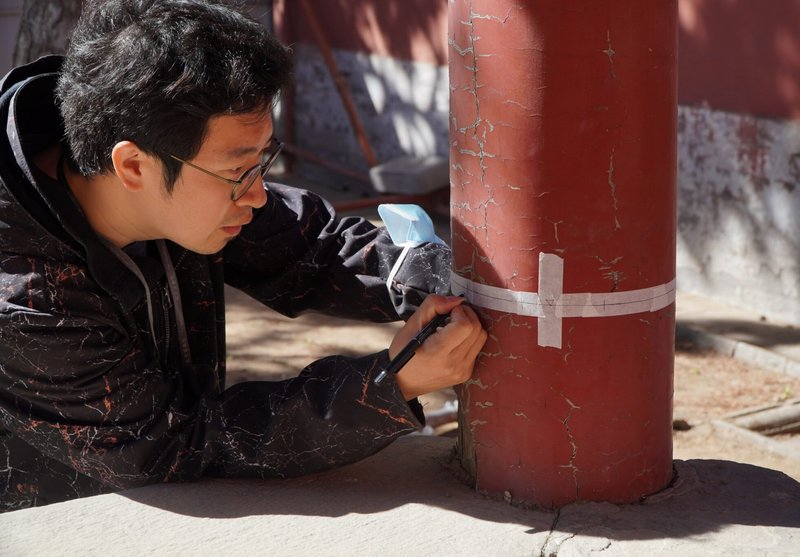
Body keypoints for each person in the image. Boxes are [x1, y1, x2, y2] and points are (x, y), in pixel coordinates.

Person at [0, 0, 486, 511]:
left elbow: (311, 245)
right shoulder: (25, 300)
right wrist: (392, 382)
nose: (257, 194)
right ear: (133, 166)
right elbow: (180, 442)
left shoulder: (169, 167)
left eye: (263, 161)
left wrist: (430, 276)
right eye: (238, 172)